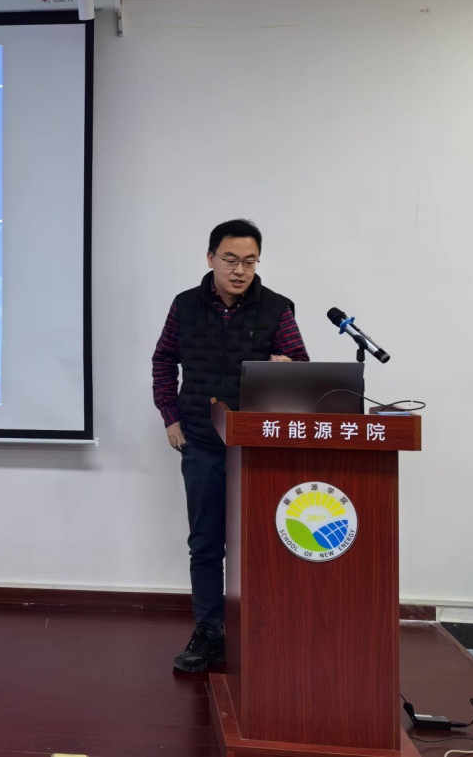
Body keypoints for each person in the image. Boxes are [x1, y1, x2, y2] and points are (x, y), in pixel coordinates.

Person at [151, 218, 309, 673]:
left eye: (249, 262)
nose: (240, 270)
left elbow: (302, 369)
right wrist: (171, 416)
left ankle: (263, 629)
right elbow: (163, 361)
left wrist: (288, 369)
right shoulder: (185, 305)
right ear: (210, 258)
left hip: (259, 446)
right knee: (206, 543)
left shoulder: (277, 308)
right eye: (230, 260)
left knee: (264, 541)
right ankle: (210, 633)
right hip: (202, 440)